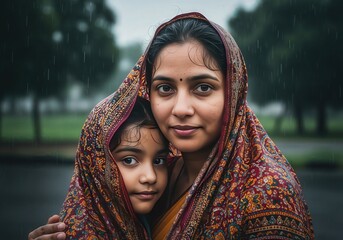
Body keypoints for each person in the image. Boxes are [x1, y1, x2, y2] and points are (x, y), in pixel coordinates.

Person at [29, 12, 314, 239]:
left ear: (233, 90)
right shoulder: (163, 171)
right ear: (147, 92)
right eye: (165, 88)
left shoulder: (267, 195)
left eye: (203, 87)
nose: (181, 109)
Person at [29, 96, 169, 240]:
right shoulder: (82, 234)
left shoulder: (154, 219)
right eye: (129, 160)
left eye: (158, 160)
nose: (151, 176)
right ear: (96, 164)